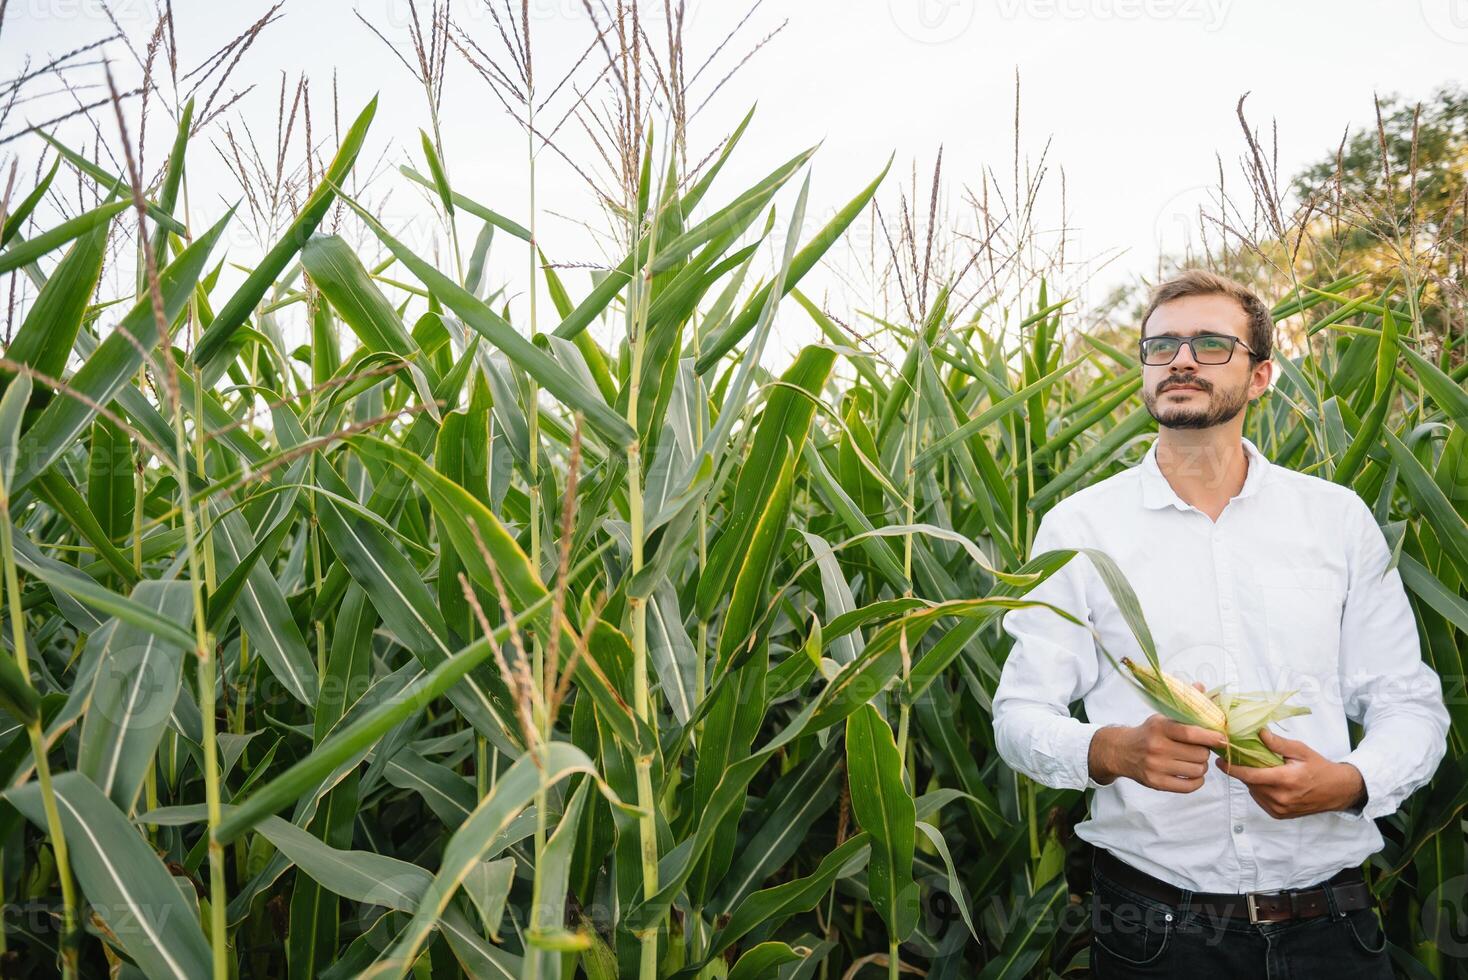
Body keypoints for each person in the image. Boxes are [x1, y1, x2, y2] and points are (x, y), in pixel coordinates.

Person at [991, 269, 1450, 977]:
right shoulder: (1079, 526)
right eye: (1161, 345)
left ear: (1261, 375)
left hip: (1332, 925)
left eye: (1209, 344)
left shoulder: (1334, 519)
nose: (1179, 359)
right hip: (1153, 932)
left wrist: (1353, 781)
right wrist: (1111, 751)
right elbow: (1019, 713)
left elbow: (1409, 704)